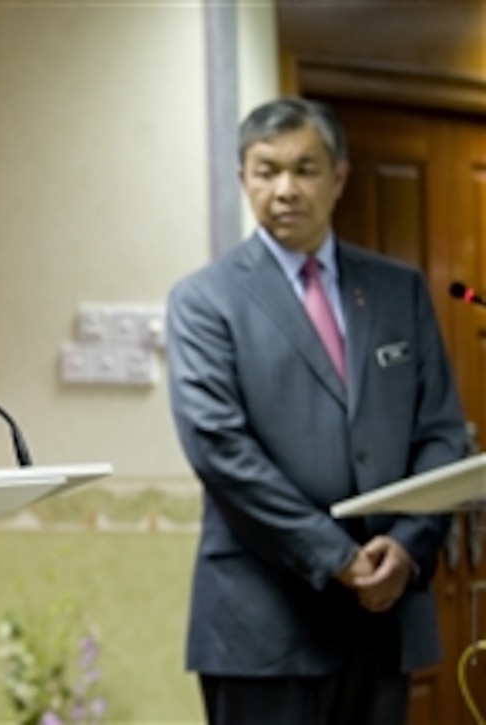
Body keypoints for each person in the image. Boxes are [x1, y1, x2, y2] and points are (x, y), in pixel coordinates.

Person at [166, 97, 467, 725]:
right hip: (263, 624)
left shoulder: (397, 289)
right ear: (244, 178)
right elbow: (222, 452)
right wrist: (336, 558)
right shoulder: (205, 301)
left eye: (304, 169)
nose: (285, 190)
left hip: (384, 618)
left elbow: (440, 433)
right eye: (266, 170)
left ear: (339, 177)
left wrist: (408, 548)